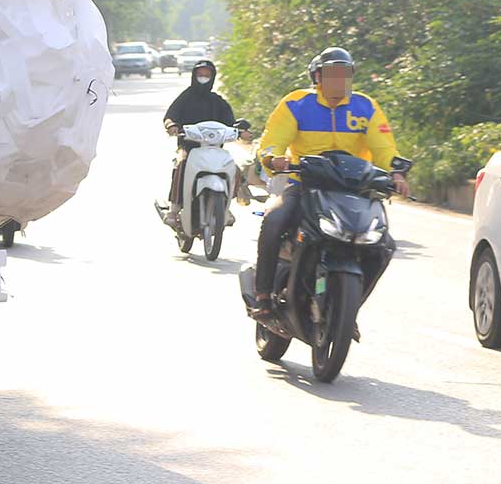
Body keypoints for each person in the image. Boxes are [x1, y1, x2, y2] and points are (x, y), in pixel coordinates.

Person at [250, 46, 407, 317]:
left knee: (384, 246)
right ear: (317, 78)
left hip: (353, 191)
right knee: (274, 220)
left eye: (345, 75)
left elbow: (384, 148)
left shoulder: (365, 107)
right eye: (332, 75)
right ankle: (263, 297)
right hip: (305, 186)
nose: (339, 81)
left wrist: (395, 173)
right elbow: (271, 143)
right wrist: (273, 159)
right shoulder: (296, 104)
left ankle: (349, 309)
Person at [162, 60, 239, 222]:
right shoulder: (185, 97)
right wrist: (172, 125)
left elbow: (231, 121)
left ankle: (226, 207)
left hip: (215, 148)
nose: (203, 78)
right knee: (180, 165)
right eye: (200, 75)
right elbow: (171, 115)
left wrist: (242, 130)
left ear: (212, 78)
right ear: (194, 76)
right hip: (189, 148)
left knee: (234, 168)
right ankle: (174, 209)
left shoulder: (217, 100)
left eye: (207, 75)